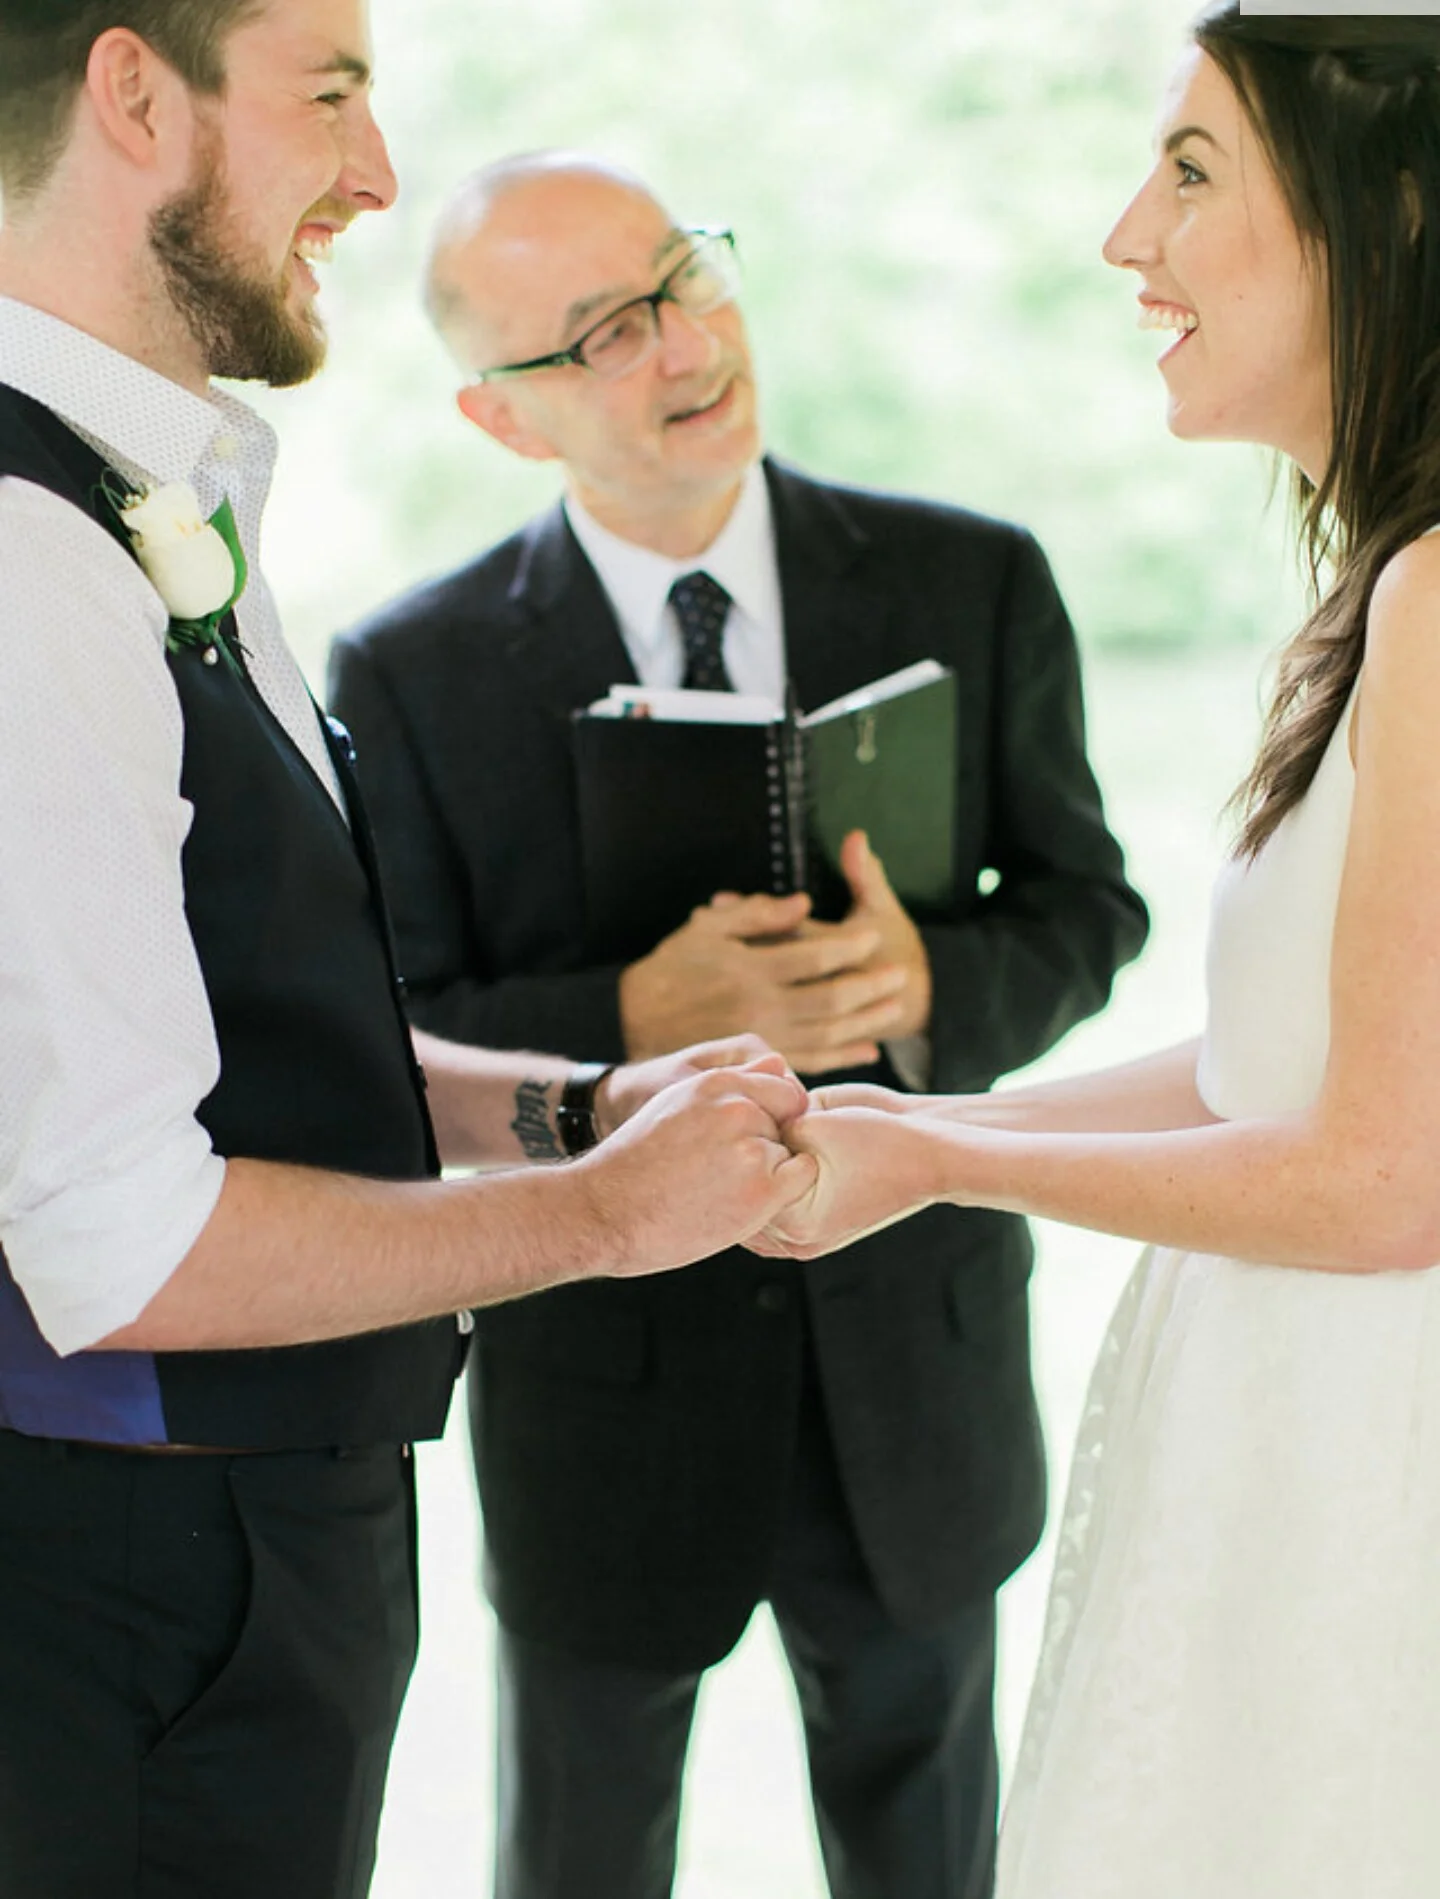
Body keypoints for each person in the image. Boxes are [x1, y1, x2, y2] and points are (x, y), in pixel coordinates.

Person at [0, 7, 820, 1897]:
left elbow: (224, 1034)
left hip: (258, 1554)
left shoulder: (153, 488)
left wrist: (577, 1103)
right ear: (135, 93)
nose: (376, 175)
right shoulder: (32, 560)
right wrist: (603, 1214)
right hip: (134, 1598)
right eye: (332, 93)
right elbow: (123, 1236)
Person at [326, 152, 1147, 1899]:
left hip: (912, 1376)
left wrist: (928, 989)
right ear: (501, 416)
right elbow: (386, 1037)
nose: (685, 343)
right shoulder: (410, 668)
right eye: (602, 335)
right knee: (579, 1855)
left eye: (684, 276)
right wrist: (632, 1017)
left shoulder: (974, 576)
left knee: (933, 1856)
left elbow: (1090, 907)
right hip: (601, 1400)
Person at [758, 8, 1440, 1893]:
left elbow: (1387, 1175)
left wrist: (939, 1160)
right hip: (1283, 1419)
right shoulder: (1386, 585)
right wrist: (916, 1129)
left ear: (1389, 210)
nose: (1128, 236)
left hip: (1369, 1447)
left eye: (1193, 171)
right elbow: (1265, 1071)